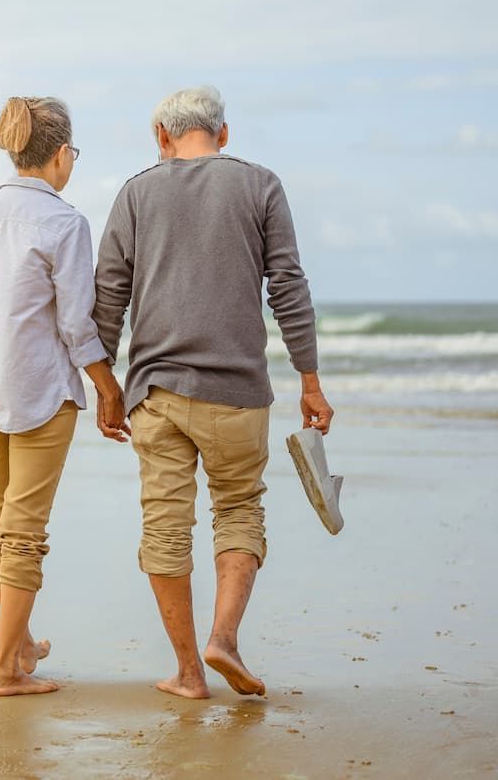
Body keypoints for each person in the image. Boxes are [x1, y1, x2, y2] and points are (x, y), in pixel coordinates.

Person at [92, 85, 335, 699]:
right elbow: (288, 287)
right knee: (239, 511)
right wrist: (309, 379)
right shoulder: (261, 185)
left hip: (157, 393)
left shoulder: (136, 192)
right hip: (238, 394)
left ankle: (188, 673)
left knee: (166, 529)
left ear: (162, 139)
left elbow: (108, 298)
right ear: (224, 134)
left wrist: (106, 386)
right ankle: (223, 638)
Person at [0, 96, 130, 697]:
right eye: (72, 152)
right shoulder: (64, 223)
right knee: (23, 533)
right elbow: (77, 323)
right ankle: (4, 671)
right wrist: (106, 387)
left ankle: (18, 648)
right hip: (40, 394)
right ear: (59, 154)